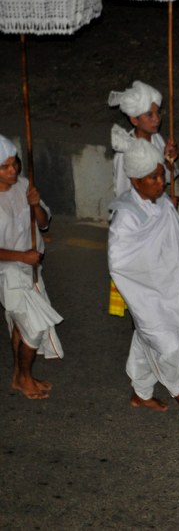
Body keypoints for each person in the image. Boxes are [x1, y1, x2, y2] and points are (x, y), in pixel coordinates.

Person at [107, 136, 179, 429]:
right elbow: (120, 264)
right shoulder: (125, 217)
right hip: (146, 296)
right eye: (153, 177)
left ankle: (140, 394)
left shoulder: (159, 202)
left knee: (147, 341)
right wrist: (154, 276)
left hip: (171, 290)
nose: (161, 182)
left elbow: (176, 242)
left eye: (161, 175)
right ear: (134, 180)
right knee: (169, 349)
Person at [108, 80, 179, 346]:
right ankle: (168, 332)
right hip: (148, 230)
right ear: (133, 118)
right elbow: (128, 196)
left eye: (158, 112)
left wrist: (170, 160)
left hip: (166, 220)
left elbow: (164, 179)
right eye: (149, 114)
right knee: (169, 281)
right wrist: (161, 203)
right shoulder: (126, 152)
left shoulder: (158, 139)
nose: (157, 118)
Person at [0, 135, 63, 399]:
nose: (13, 170)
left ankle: (19, 376)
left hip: (30, 268)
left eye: (14, 163)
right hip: (7, 273)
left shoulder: (24, 185)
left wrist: (35, 205)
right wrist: (21, 256)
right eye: (4, 166)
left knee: (20, 326)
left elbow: (45, 222)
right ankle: (24, 378)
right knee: (34, 328)